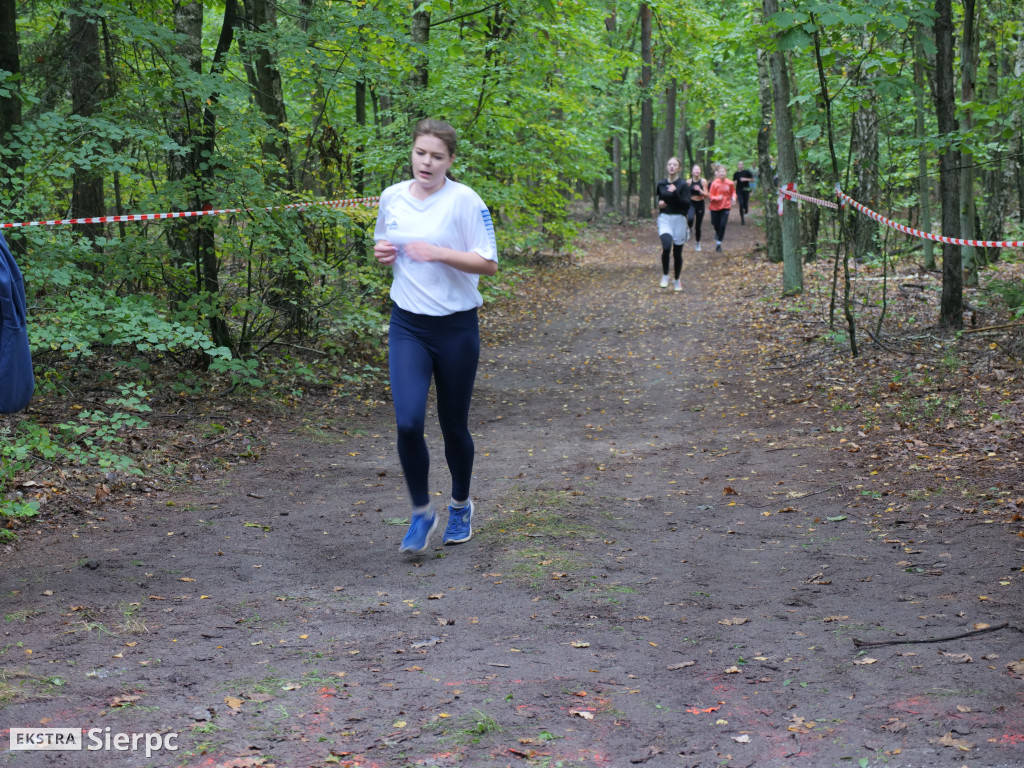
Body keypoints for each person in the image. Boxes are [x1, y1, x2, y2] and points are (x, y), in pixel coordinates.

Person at [373, 119, 498, 555]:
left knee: (453, 427)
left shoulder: (465, 202)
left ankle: (461, 504)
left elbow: (488, 263)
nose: (427, 162)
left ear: (450, 161)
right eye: (421, 153)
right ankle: (422, 511)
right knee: (407, 423)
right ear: (412, 152)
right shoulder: (392, 197)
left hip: (456, 328)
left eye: (437, 156)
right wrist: (384, 253)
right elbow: (385, 246)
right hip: (408, 324)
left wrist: (439, 252)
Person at [655, 156, 690, 291]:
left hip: (679, 219)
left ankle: (677, 280)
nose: (672, 167)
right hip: (665, 218)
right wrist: (659, 204)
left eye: (674, 165)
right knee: (666, 246)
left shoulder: (683, 185)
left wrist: (675, 193)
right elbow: (659, 199)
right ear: (666, 167)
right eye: (669, 164)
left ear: (679, 168)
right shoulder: (661, 184)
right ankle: (665, 275)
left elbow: (686, 205)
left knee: (677, 253)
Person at [708, 164, 736, 252]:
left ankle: (719, 244)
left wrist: (734, 198)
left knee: (723, 225)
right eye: (720, 172)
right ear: (718, 173)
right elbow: (710, 196)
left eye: (723, 171)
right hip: (715, 207)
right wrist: (717, 198)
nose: (722, 173)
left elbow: (733, 192)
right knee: (715, 224)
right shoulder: (714, 183)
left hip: (726, 206)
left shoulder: (730, 183)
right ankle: (717, 233)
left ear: (726, 173)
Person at [686, 164, 709, 252]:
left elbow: (706, 195)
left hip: (700, 203)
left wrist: (700, 190)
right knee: (690, 218)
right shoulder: (688, 182)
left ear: (700, 172)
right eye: (695, 169)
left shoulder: (703, 181)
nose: (696, 171)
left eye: (698, 169)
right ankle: (689, 228)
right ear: (692, 172)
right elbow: (685, 193)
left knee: (698, 226)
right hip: (691, 203)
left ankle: (698, 243)